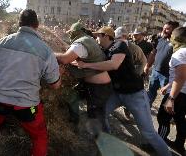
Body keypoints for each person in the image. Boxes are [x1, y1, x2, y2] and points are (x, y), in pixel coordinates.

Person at [72, 26, 171, 156]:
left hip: (135, 95)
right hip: (117, 94)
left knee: (148, 133)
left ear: (107, 36)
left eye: (98, 36)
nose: (96, 39)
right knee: (101, 114)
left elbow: (114, 64)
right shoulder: (102, 50)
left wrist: (86, 65)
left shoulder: (119, 45)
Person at [0, 9, 61, 156]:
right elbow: (55, 84)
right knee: (39, 136)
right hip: (27, 106)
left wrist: (3, 80)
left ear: (19, 24)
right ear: (37, 25)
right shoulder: (46, 50)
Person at [55, 22, 112, 130]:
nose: (70, 35)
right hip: (93, 85)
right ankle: (74, 121)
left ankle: (104, 141)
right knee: (72, 96)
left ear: (76, 32)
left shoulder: (81, 43)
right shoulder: (86, 40)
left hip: (98, 89)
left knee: (96, 118)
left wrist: (48, 53)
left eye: (71, 33)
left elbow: (64, 59)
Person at [157, 26, 186, 156]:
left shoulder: (180, 53)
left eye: (172, 38)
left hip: (178, 94)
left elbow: (180, 77)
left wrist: (171, 98)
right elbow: (180, 74)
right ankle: (179, 145)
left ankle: (159, 145)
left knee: (163, 117)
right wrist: (167, 86)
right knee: (180, 119)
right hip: (183, 93)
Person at [145, 21, 179, 106]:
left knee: (167, 96)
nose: (164, 31)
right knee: (150, 92)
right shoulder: (160, 39)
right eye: (163, 29)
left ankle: (166, 114)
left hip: (167, 75)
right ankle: (145, 110)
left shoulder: (177, 44)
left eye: (167, 29)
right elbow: (153, 53)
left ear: (174, 30)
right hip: (155, 72)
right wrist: (147, 65)